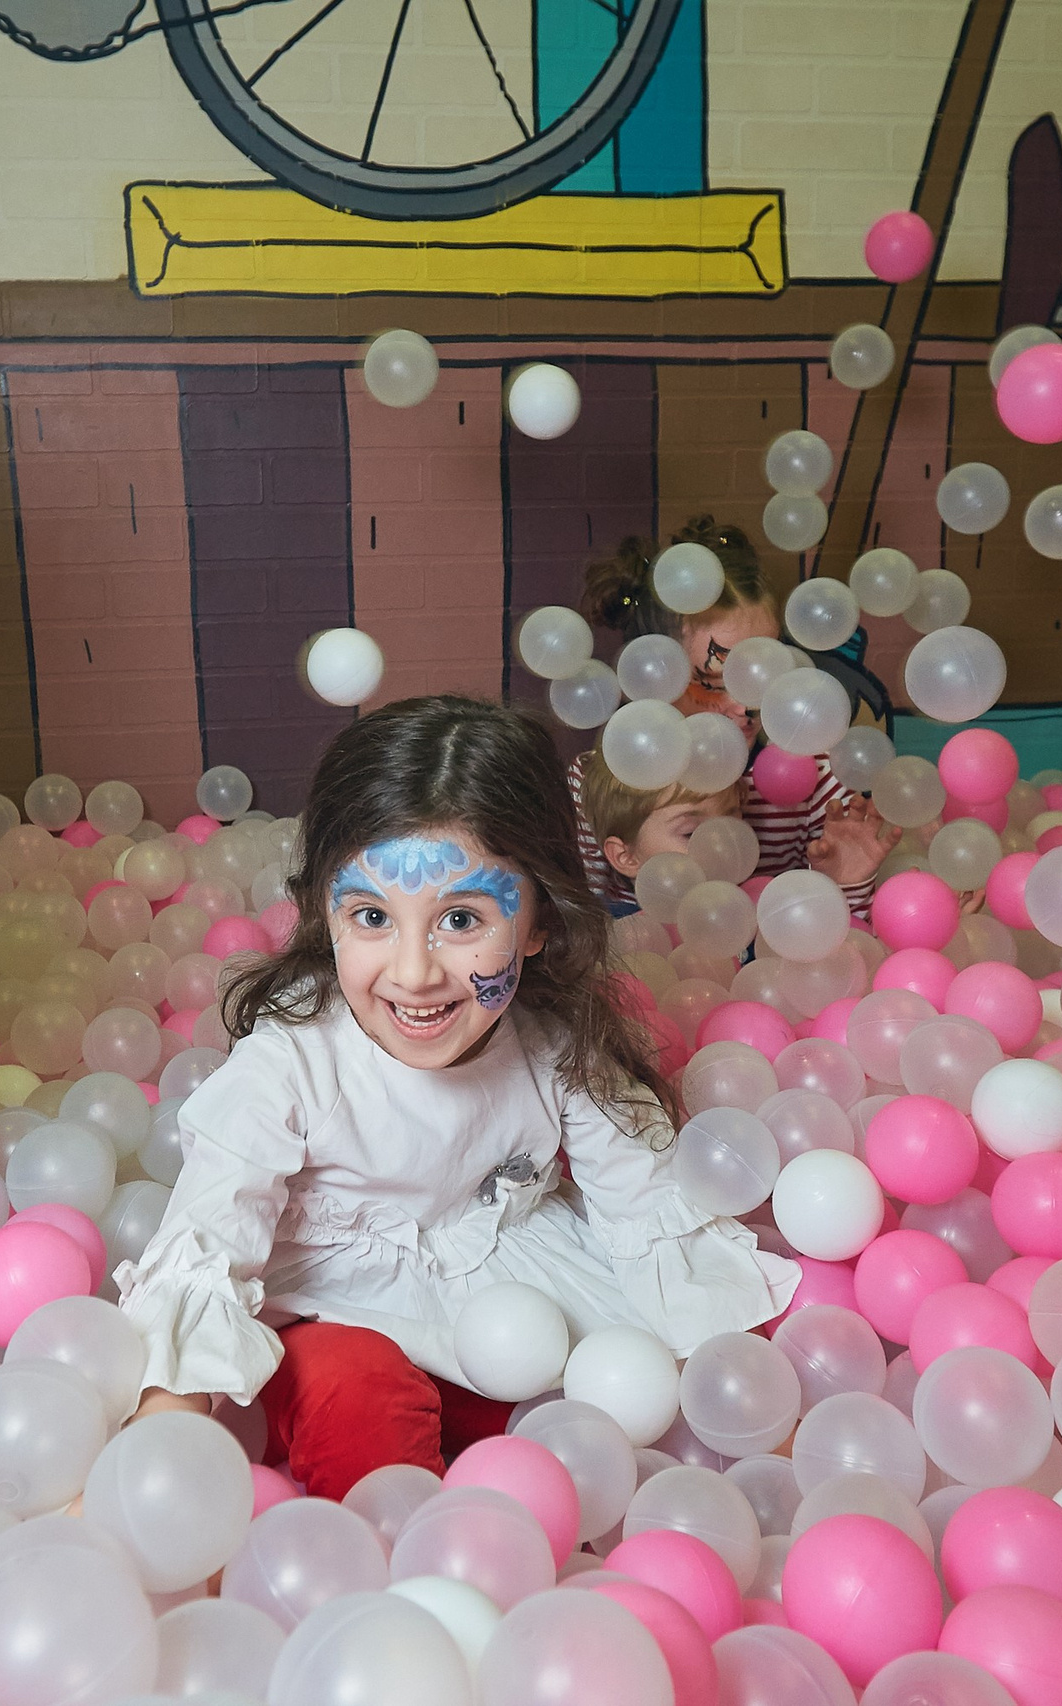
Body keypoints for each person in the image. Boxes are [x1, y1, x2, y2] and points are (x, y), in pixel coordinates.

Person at [117, 698, 797, 1500]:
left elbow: (644, 1207)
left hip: (507, 1300)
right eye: (372, 916)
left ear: (540, 921)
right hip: (339, 1312)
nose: (414, 972)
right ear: (322, 913)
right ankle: (407, 1557)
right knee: (351, 1392)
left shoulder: (553, 1046)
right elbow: (210, 1232)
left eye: (462, 919)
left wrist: (756, 1421)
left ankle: (538, 1520)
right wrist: (148, 1471)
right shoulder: (290, 1067)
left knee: (617, 1376)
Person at [568, 518, 896, 912]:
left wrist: (849, 881)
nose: (746, 706)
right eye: (712, 681)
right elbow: (581, 920)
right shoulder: (592, 783)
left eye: (763, 675)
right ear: (652, 671)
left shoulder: (819, 784)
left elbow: (841, 935)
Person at [576, 748, 745, 913]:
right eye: (691, 833)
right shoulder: (618, 935)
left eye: (730, 824)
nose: (721, 846)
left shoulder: (750, 908)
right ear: (626, 857)